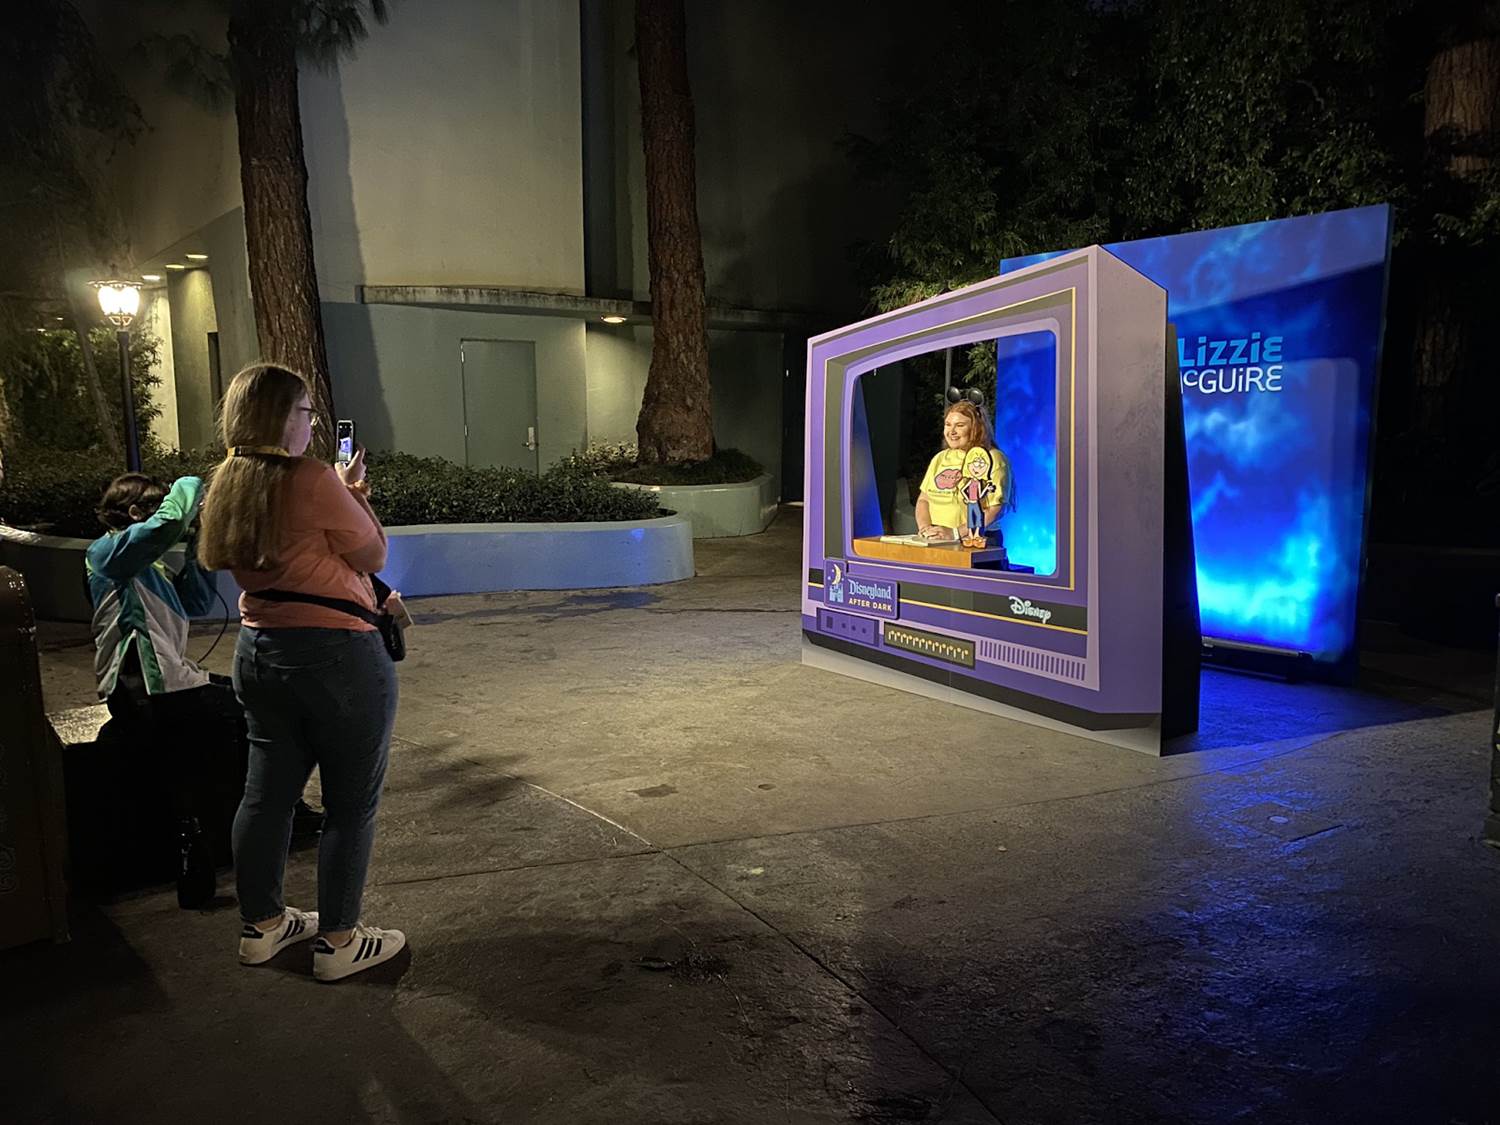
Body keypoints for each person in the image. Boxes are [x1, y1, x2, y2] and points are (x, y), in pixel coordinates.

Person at [197, 362, 405, 982]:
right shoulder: (313, 478)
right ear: (281, 416)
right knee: (350, 802)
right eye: (306, 412)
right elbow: (372, 552)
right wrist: (352, 493)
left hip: (259, 649)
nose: (311, 425)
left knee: (266, 796)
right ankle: (339, 940)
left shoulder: (229, 481)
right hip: (336, 653)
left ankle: (261, 926)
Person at [85, 474, 324, 908]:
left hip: (169, 681)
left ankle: (276, 808)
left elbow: (195, 602)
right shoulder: (106, 553)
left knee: (257, 703)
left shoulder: (148, 564)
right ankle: (276, 811)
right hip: (145, 686)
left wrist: (199, 541)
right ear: (135, 513)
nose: (168, 516)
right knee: (258, 712)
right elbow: (166, 523)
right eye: (155, 508)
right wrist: (191, 483)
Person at [915, 399, 1010, 542]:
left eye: (959, 425)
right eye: (948, 425)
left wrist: (955, 533)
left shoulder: (993, 458)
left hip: (976, 538)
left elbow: (995, 509)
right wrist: (925, 529)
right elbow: (924, 499)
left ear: (976, 428)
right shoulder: (940, 458)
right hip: (938, 539)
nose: (951, 431)